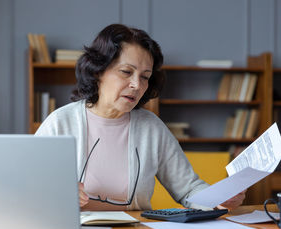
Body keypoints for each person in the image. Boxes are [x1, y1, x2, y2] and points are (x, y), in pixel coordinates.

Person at [35, 23, 245, 211]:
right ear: (98, 71)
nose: (137, 85)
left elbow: (188, 189)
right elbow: (29, 188)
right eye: (126, 72)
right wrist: (57, 194)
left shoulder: (151, 128)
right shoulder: (60, 123)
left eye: (145, 77)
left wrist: (218, 198)